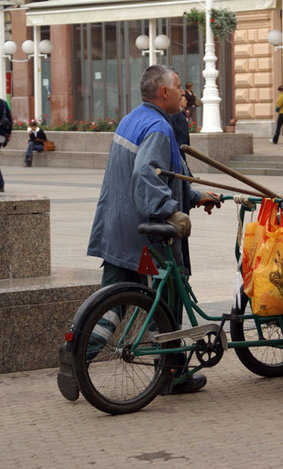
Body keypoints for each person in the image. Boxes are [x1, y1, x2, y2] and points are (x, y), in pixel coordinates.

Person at [57, 64, 221, 401]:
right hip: (146, 232)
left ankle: (77, 355)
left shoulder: (132, 119)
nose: (183, 94)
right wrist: (171, 212)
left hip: (117, 225)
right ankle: (172, 375)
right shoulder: (159, 128)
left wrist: (193, 195)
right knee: (170, 296)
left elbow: (166, 175)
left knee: (112, 301)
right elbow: (146, 177)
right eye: (178, 87)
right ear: (164, 92)